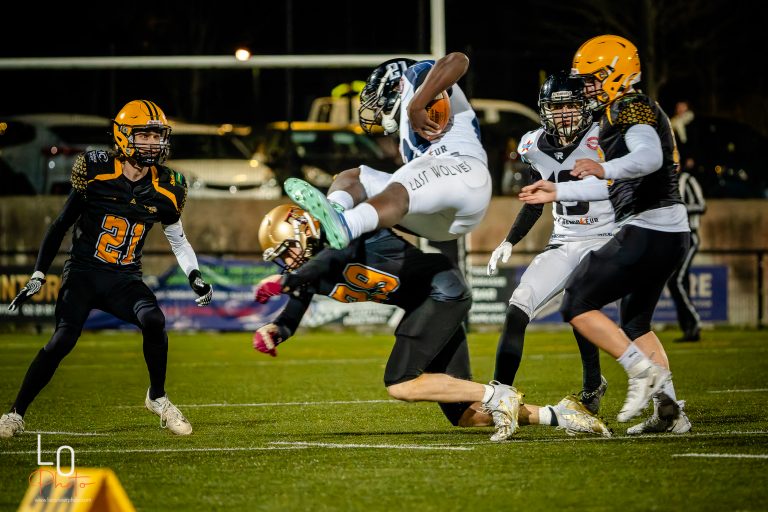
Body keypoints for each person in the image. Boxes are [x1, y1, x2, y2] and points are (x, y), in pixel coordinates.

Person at [252, 204, 611, 441]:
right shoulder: (308, 272)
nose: (288, 261)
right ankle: (561, 416)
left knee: (399, 383)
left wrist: (285, 281)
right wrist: (274, 331)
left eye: (288, 250)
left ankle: (498, 394)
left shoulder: (346, 234)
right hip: (430, 305)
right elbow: (292, 314)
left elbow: (332, 258)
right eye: (282, 258)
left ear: (304, 229)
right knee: (466, 415)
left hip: (441, 292)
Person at [0, 100, 213, 438]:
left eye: (157, 136)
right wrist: (39, 272)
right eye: (144, 135)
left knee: (154, 320)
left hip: (124, 279)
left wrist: (194, 275)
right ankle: (15, 413)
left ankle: (157, 397)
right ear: (123, 136)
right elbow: (60, 225)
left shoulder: (169, 186)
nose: (153, 143)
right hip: (83, 273)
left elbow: (178, 240)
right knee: (62, 340)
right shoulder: (96, 170)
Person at [519, 35, 692, 435]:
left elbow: (648, 157)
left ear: (616, 73)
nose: (587, 88)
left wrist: (604, 168)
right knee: (636, 323)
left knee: (577, 300)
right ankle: (670, 412)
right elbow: (611, 185)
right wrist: (558, 191)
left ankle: (641, 373)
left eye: (593, 78)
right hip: (667, 228)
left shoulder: (629, 106)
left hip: (649, 226)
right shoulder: (622, 109)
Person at [487, 72, 612, 414]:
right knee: (518, 307)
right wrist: (509, 240)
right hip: (564, 240)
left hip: (606, 237)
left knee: (580, 302)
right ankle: (499, 397)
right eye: (556, 108)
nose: (563, 114)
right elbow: (534, 202)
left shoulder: (605, 136)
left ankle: (596, 384)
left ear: (584, 106)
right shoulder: (534, 146)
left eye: (570, 105)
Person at [281, 53, 491, 250]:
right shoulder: (404, 137)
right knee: (354, 178)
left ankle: (348, 224)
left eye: (379, 100)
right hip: (443, 222)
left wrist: (417, 104)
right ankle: (332, 216)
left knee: (402, 184)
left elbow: (458, 60)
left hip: (464, 170)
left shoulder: (416, 75)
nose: (379, 111)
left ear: (397, 86)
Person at [667, 170, 706, 341]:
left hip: (690, 236)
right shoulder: (666, 180)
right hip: (675, 240)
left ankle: (694, 321)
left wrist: (679, 207)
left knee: (675, 280)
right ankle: (689, 329)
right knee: (681, 282)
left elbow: (701, 205)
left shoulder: (687, 179)